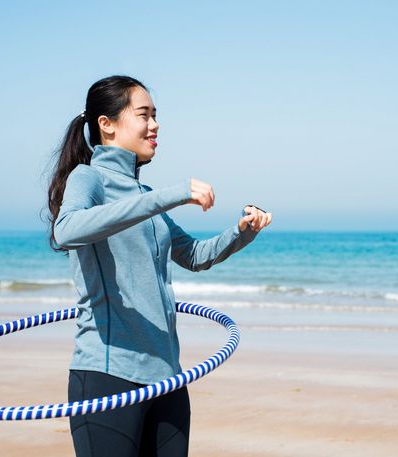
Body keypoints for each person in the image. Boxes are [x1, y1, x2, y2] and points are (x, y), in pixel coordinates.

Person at [45, 75, 272, 457]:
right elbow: (67, 230)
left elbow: (195, 256)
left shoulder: (146, 197)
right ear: (108, 124)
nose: (155, 125)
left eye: (156, 116)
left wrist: (242, 231)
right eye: (144, 115)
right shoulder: (89, 178)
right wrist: (173, 195)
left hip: (166, 380)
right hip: (108, 375)